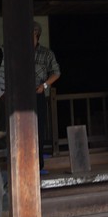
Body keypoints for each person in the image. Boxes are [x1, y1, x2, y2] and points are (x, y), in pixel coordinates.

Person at [33, 21, 61, 168]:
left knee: (39, 128)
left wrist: (44, 86)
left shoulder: (46, 53)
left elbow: (56, 73)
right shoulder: (19, 52)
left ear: (37, 35)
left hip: (38, 94)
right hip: (21, 96)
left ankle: (39, 163)